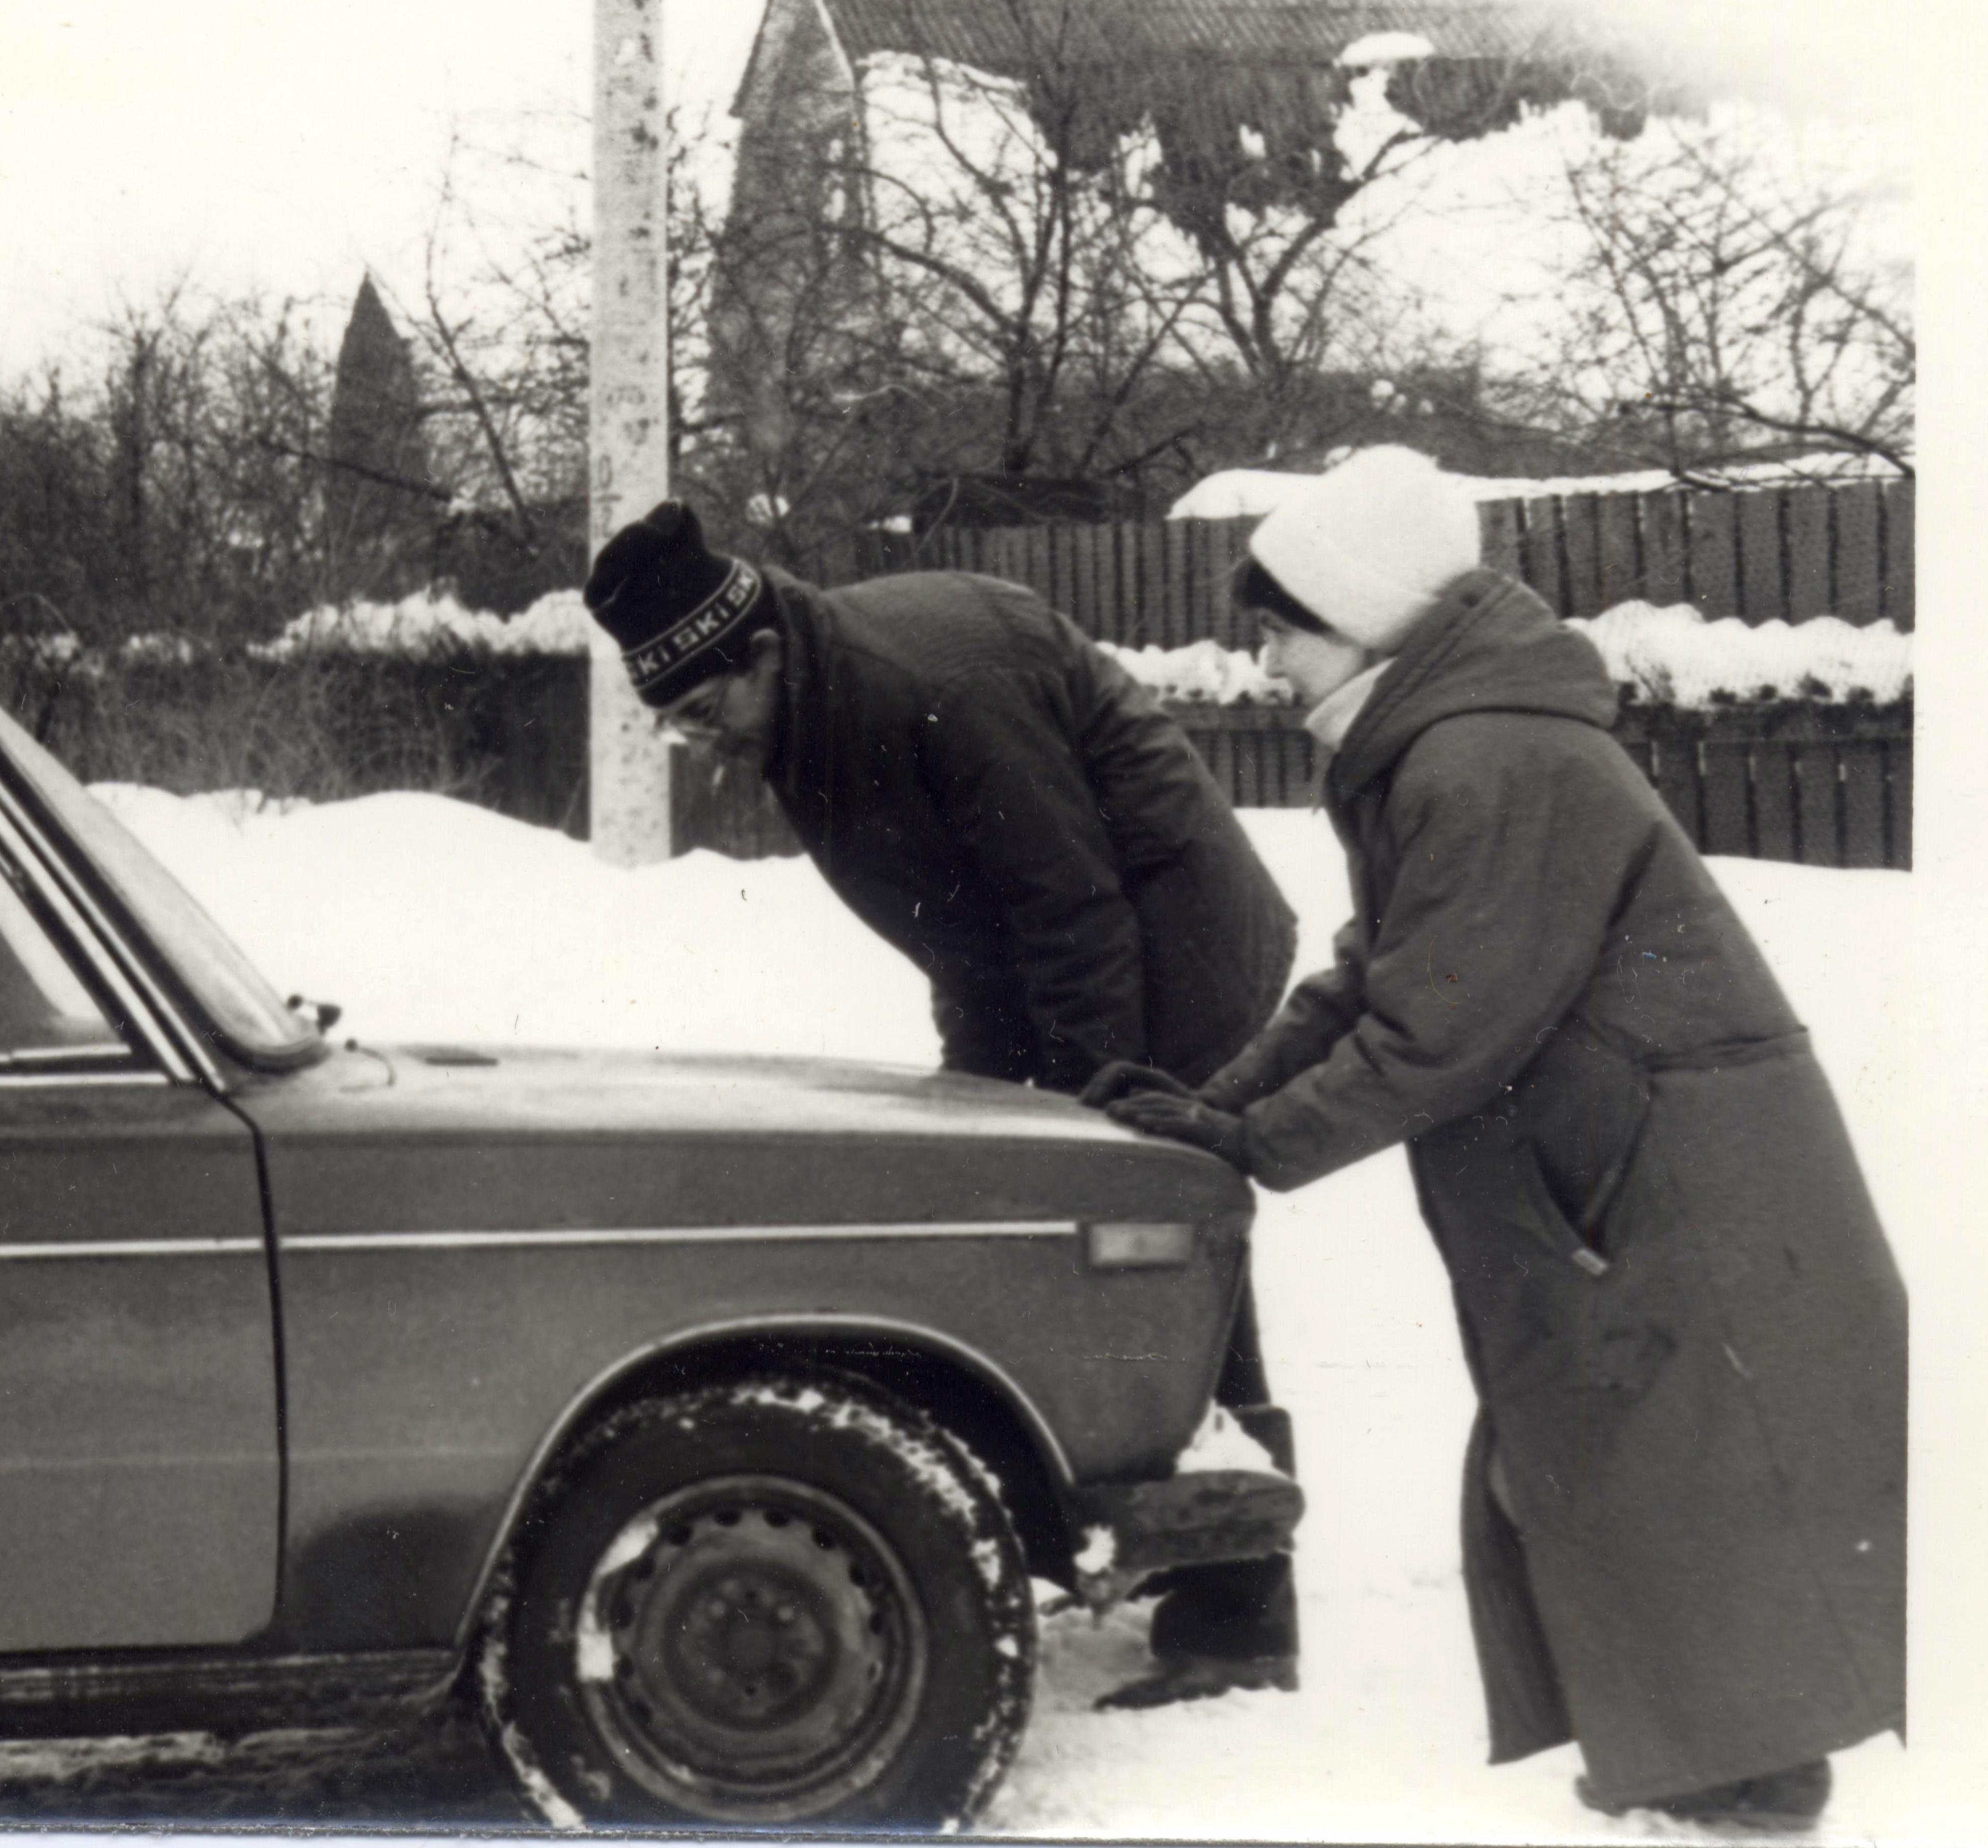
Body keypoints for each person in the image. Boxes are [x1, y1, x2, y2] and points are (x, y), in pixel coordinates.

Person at [1107, 446, 1904, 1831]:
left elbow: (1434, 1033)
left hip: (1664, 1176)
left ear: (1361, 621)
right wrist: (1219, 1107)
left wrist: (1242, 1144)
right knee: (1636, 1465)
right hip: (1616, 1161)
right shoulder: (1444, 740)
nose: (1265, 659)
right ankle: (1717, 1771)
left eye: (1280, 626)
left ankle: (1747, 1789)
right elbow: (1375, 974)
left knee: (1680, 1473)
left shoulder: (1484, 758)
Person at [584, 500, 1304, 1710]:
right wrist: (974, 1104)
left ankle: (1238, 1610)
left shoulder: (927, 683)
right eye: (675, 727)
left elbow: (1069, 904)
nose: (703, 747)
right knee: (1025, 1211)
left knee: (1154, 1236)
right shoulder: (801, 709)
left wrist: (1095, 1127)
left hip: (1176, 947)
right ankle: (1101, 1528)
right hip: (1050, 953)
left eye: (704, 713)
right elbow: (954, 921)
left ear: (756, 653)